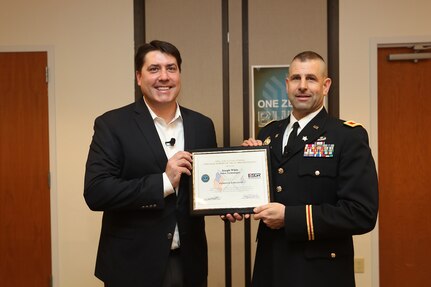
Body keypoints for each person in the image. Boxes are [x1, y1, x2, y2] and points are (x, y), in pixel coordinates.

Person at [227, 51, 378, 287]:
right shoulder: (268, 134)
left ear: (326, 85)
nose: (303, 86)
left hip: (320, 273)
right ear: (287, 85)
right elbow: (261, 193)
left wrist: (289, 217)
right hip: (271, 267)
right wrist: (237, 196)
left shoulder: (347, 136)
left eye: (311, 79)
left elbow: (361, 213)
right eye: (296, 78)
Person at [84, 40, 217, 287]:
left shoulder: (202, 125)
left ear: (180, 74)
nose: (164, 77)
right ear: (138, 76)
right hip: (132, 265)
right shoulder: (112, 125)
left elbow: (208, 186)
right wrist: (164, 182)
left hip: (189, 263)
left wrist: (228, 203)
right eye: (154, 69)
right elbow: (96, 192)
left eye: (171, 68)